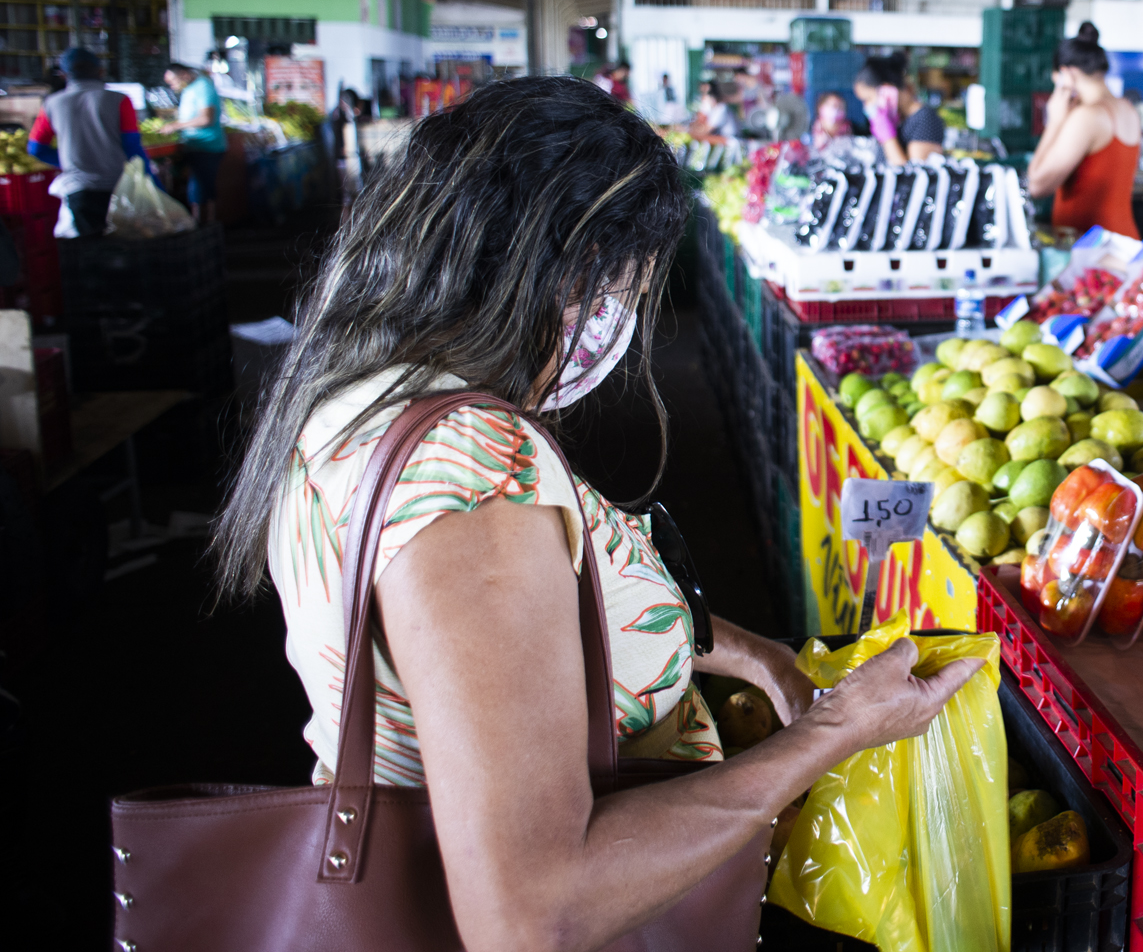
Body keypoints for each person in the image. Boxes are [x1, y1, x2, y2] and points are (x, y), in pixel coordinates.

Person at [207, 78, 980, 948]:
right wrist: (837, 733)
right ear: (549, 269)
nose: (616, 319)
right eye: (617, 286)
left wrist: (743, 649)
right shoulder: (472, 479)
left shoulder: (353, 398)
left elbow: (522, 627)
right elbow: (534, 910)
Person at [1027, 23, 1141, 238]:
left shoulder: (1088, 116)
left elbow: (1036, 185)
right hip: (1123, 240)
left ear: (1066, 74)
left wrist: (1054, 122)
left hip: (1091, 249)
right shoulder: (1127, 109)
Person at [27, 46, 149, 236]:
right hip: (119, 187)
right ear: (101, 71)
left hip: (79, 189)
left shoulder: (52, 103)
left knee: (91, 250)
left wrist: (71, 163)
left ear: (63, 75)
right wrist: (152, 181)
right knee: (126, 246)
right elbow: (132, 146)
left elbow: (36, 149)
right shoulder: (119, 100)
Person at [161, 61, 229, 225]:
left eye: (173, 81)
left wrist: (176, 125)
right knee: (192, 184)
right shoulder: (190, 89)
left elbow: (206, 118)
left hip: (208, 146)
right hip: (192, 145)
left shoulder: (203, 86)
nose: (172, 86)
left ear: (184, 74)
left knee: (202, 186)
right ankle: (197, 223)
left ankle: (207, 225)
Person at [852, 52, 944, 164]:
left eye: (868, 99)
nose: (867, 106)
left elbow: (915, 175)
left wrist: (888, 138)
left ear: (886, 90)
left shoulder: (925, 119)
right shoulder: (899, 120)